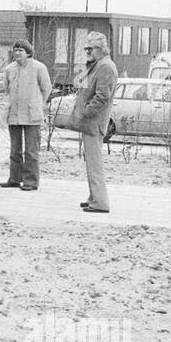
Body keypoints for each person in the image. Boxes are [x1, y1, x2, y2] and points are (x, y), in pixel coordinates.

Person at [71, 31, 118, 213]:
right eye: (85, 48)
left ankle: (100, 203)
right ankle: (94, 198)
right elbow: (80, 84)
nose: (87, 52)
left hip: (94, 122)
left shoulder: (106, 67)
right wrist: (86, 65)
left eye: (90, 48)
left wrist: (85, 112)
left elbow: (102, 97)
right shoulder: (97, 65)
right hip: (90, 122)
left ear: (100, 48)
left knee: (94, 163)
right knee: (90, 162)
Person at [0, 39, 53, 191]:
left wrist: (37, 103)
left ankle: (31, 181)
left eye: (20, 50)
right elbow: (6, 89)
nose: (17, 53)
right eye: (15, 50)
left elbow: (46, 88)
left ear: (28, 52)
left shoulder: (39, 68)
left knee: (31, 150)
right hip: (14, 114)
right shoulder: (9, 69)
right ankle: (14, 179)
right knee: (15, 149)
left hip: (32, 115)